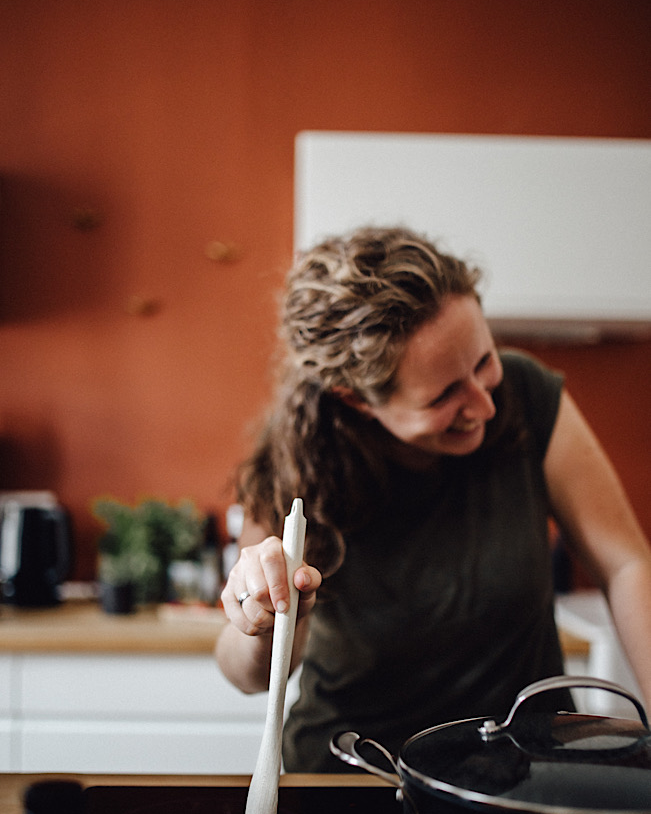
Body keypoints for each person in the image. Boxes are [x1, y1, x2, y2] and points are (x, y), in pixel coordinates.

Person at [216, 226, 651, 772]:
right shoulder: (298, 458)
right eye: (445, 394)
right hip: (362, 780)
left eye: (484, 362)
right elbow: (245, 675)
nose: (485, 406)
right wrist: (258, 620)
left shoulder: (527, 395)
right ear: (357, 400)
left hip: (530, 776)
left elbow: (627, 564)